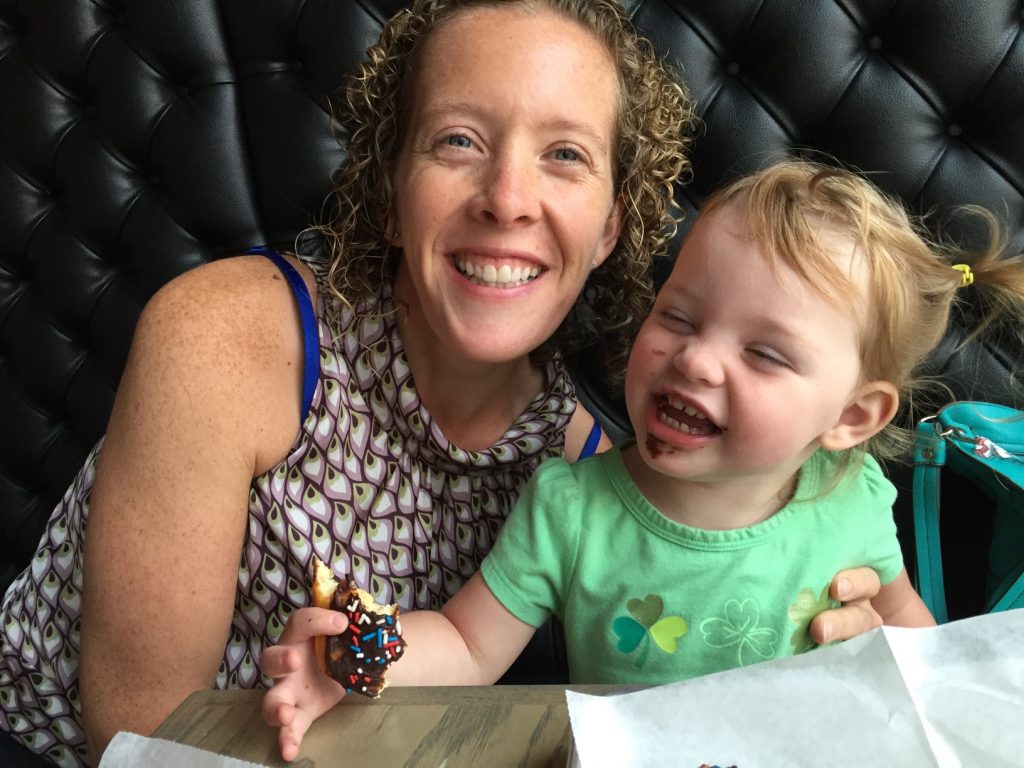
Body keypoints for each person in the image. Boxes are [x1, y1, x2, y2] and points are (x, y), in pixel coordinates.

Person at [0, 3, 887, 766]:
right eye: (458, 141)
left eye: (566, 156)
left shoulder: (594, 468)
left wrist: (863, 663)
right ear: (389, 191)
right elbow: (144, 740)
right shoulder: (224, 338)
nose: (507, 197)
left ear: (613, 225)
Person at [262, 158, 1024, 761]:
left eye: (762, 354)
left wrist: (911, 677)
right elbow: (466, 647)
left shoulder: (850, 497)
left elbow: (910, 635)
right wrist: (359, 656)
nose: (696, 361)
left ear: (852, 418)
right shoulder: (571, 509)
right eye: (678, 315)